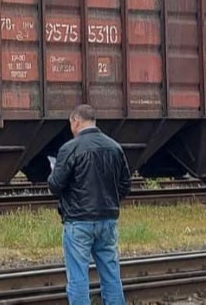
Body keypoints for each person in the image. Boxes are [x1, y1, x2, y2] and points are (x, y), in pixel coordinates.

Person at [48, 104, 131, 305]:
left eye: (71, 124)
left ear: (76, 121)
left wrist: (52, 173)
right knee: (111, 274)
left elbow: (55, 185)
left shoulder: (70, 148)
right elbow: (125, 185)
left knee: (78, 277)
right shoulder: (114, 147)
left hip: (78, 221)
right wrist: (110, 202)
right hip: (108, 220)